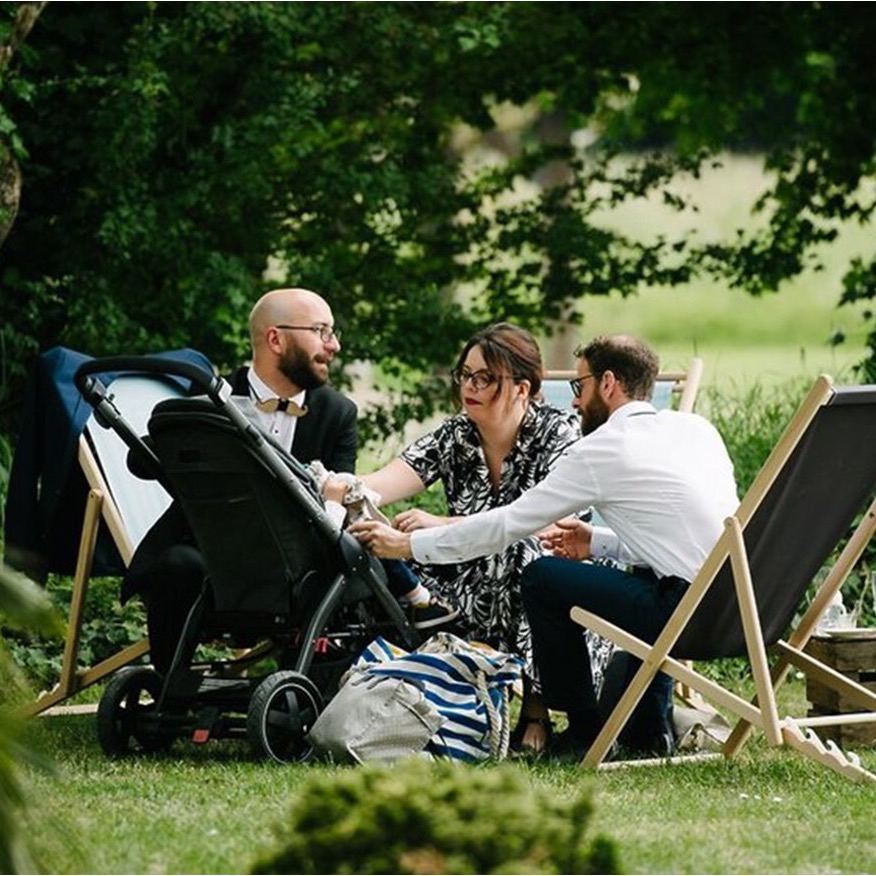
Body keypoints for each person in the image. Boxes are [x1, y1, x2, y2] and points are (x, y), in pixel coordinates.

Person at [346, 333, 739, 759]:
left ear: (608, 384)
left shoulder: (599, 447)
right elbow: (683, 541)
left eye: (580, 386)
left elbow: (511, 523)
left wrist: (409, 545)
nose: (574, 402)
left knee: (543, 576)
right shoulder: (697, 429)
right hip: (746, 609)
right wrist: (599, 543)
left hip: (684, 614)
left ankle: (583, 730)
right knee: (638, 573)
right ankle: (648, 729)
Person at [124, 287, 449, 676]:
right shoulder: (213, 398)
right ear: (276, 338)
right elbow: (144, 462)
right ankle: (168, 690)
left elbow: (337, 506)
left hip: (295, 560)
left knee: (338, 573)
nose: (334, 345)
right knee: (175, 566)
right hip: (211, 552)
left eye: (333, 333)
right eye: (322, 331)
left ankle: (314, 678)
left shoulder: (336, 413)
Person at [324, 322, 584, 753]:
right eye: (465, 374)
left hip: (553, 565)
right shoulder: (455, 435)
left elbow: (546, 524)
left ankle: (535, 709)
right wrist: (341, 486)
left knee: (521, 557)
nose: (470, 386)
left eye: (485, 378)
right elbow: (382, 483)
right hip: (468, 571)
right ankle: (425, 678)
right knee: (370, 546)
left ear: (522, 388)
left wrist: (443, 525)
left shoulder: (558, 433)